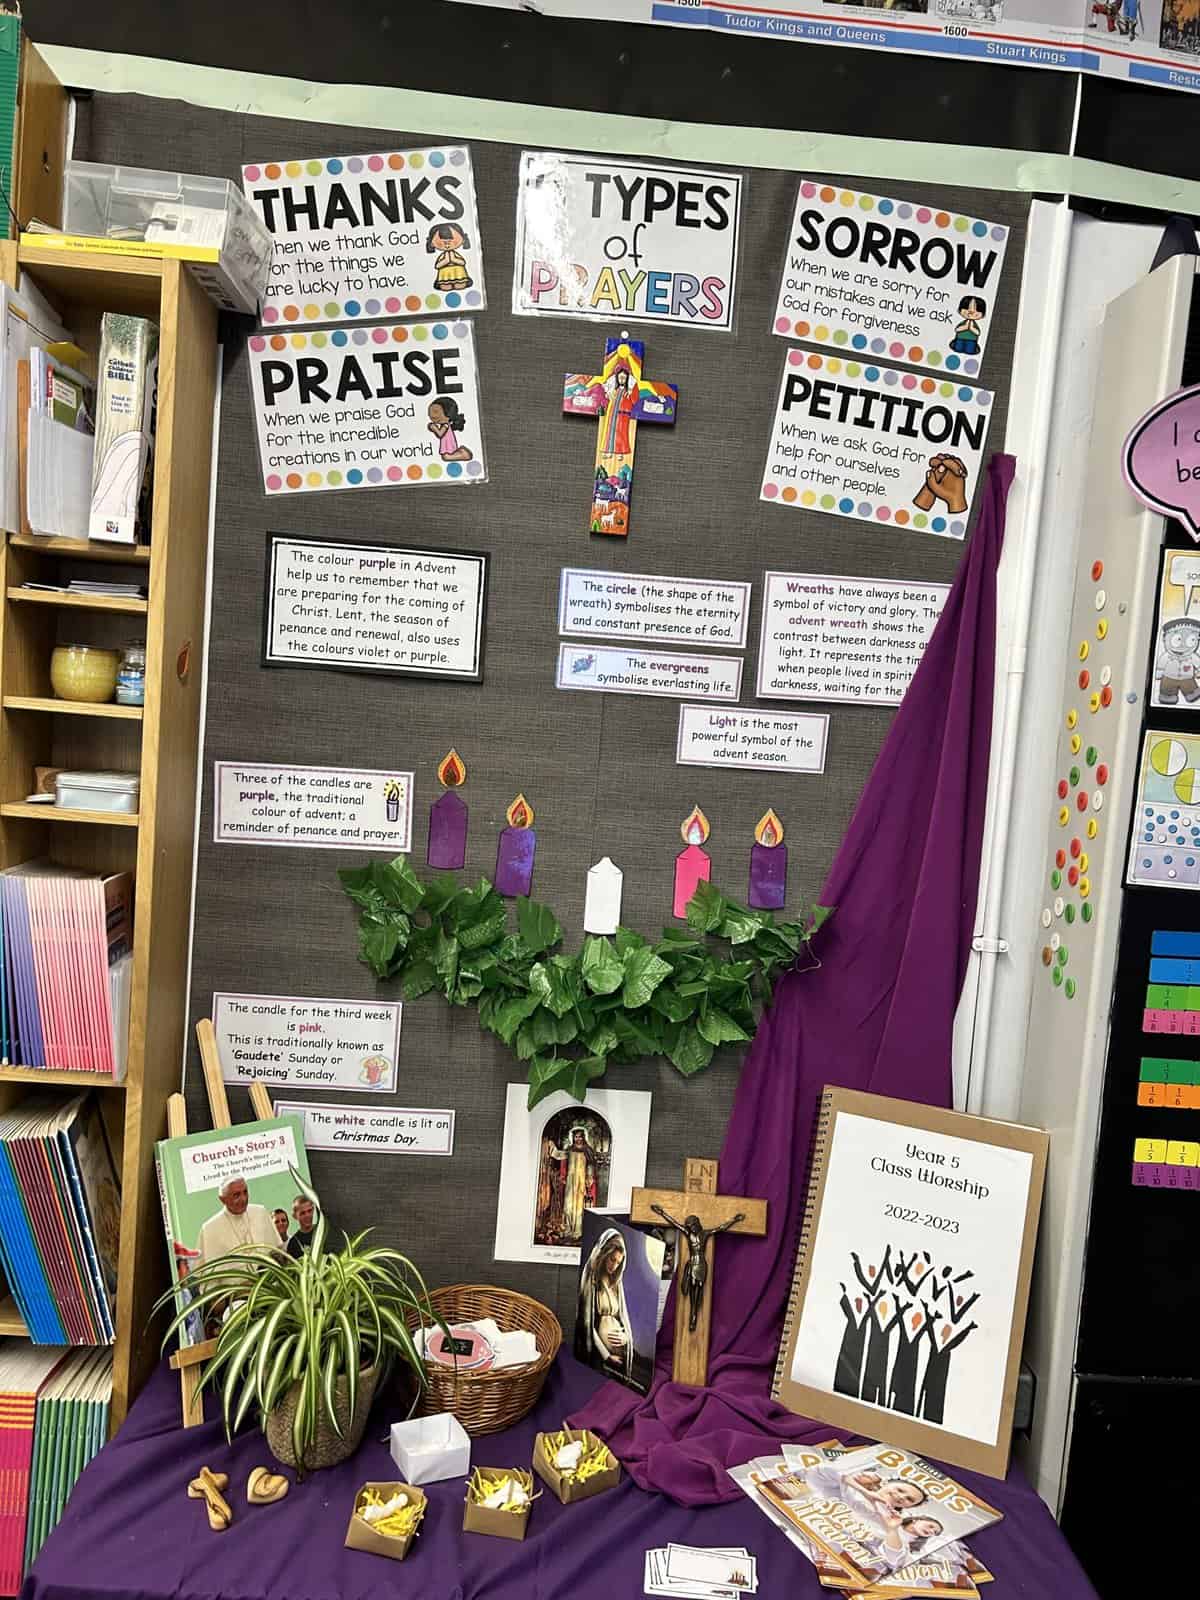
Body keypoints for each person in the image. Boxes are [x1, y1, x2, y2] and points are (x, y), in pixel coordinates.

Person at [575, 1227, 634, 1383]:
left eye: (618, 1262)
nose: (614, 1266)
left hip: (619, 1355)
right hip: (603, 1356)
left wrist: (625, 1337)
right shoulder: (592, 1279)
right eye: (612, 1259)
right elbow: (587, 1324)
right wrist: (606, 1355)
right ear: (604, 1254)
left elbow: (623, 1319)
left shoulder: (616, 1284)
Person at [197, 1174, 278, 1265]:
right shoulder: (209, 1229)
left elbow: (277, 1250)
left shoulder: (260, 1212)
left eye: (245, 1192)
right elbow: (209, 1269)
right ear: (223, 1200)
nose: (243, 1199)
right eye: (236, 1195)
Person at [548, 1127, 599, 1242]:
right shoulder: (570, 1149)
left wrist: (589, 1178)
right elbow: (558, 1155)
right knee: (568, 1206)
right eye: (576, 1137)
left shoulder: (588, 1150)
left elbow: (590, 1165)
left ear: (583, 1137)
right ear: (573, 1138)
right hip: (571, 1182)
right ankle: (567, 1230)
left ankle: (578, 1231)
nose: (578, 1139)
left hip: (581, 1182)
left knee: (579, 1207)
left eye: (580, 1136)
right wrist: (552, 1146)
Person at [1155, 617, 1200, 705]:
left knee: (1190, 688)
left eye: (1191, 640)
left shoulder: (1192, 656)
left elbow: (1198, 663)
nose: (1182, 646)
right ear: (1165, 639)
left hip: (1187, 678)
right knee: (1167, 689)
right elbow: (1161, 664)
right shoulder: (1167, 656)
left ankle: (1191, 693)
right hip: (1168, 678)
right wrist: (1159, 672)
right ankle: (1167, 696)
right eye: (1178, 639)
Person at [426, 222, 472, 292]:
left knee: (460, 285)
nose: (447, 245)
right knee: (445, 286)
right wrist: (445, 261)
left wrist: (454, 259)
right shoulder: (443, 256)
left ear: (463, 240)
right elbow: (437, 266)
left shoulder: (455, 254)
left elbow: (463, 262)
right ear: (432, 243)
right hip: (445, 274)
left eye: (450, 241)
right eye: (442, 242)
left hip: (458, 273)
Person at [427, 396, 473, 462]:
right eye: (430, 412)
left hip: (447, 441)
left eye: (435, 412)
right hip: (446, 440)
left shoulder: (445, 425)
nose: (431, 415)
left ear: (448, 414)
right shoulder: (445, 425)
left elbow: (440, 434)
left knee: (446, 457)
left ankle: (464, 455)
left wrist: (434, 428)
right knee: (446, 456)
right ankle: (460, 453)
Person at [286, 1194, 318, 1258]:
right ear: (295, 1216)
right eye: (302, 1213)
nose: (307, 1215)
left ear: (313, 1210)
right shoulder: (293, 1243)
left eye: (309, 1211)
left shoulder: (321, 1232)